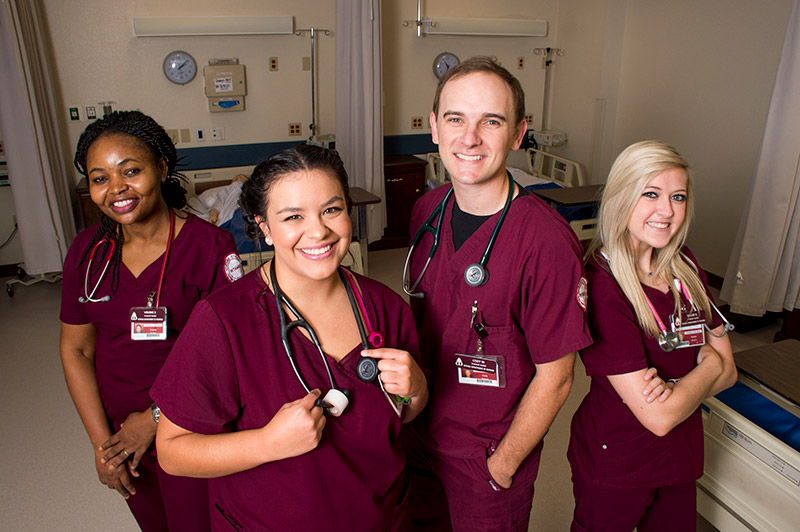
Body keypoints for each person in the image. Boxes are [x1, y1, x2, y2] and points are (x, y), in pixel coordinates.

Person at [150, 144, 428, 531]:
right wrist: (268, 442)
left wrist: (416, 390)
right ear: (263, 227)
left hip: (380, 517)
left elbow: (404, 414)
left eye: (331, 210)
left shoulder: (383, 306)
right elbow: (172, 452)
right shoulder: (222, 320)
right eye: (293, 216)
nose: (318, 231)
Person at [403, 56, 593, 531]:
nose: (469, 138)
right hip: (416, 430)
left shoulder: (546, 242)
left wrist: (502, 466)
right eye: (455, 119)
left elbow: (558, 379)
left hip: (487, 453)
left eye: (491, 121)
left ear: (518, 132)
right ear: (433, 127)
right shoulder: (427, 210)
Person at [60, 110, 242, 532]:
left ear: (161, 168)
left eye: (131, 170)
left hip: (193, 425)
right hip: (122, 433)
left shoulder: (210, 247)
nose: (116, 189)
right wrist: (102, 445)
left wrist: (155, 418)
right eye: (99, 177)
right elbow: (77, 348)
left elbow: (227, 357)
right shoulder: (86, 252)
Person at [567, 140, 737, 531]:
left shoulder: (686, 265)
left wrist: (686, 385)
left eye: (678, 196)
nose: (667, 211)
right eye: (651, 194)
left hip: (680, 454)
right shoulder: (602, 284)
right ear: (622, 197)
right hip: (618, 460)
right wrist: (708, 364)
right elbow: (658, 417)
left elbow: (730, 372)